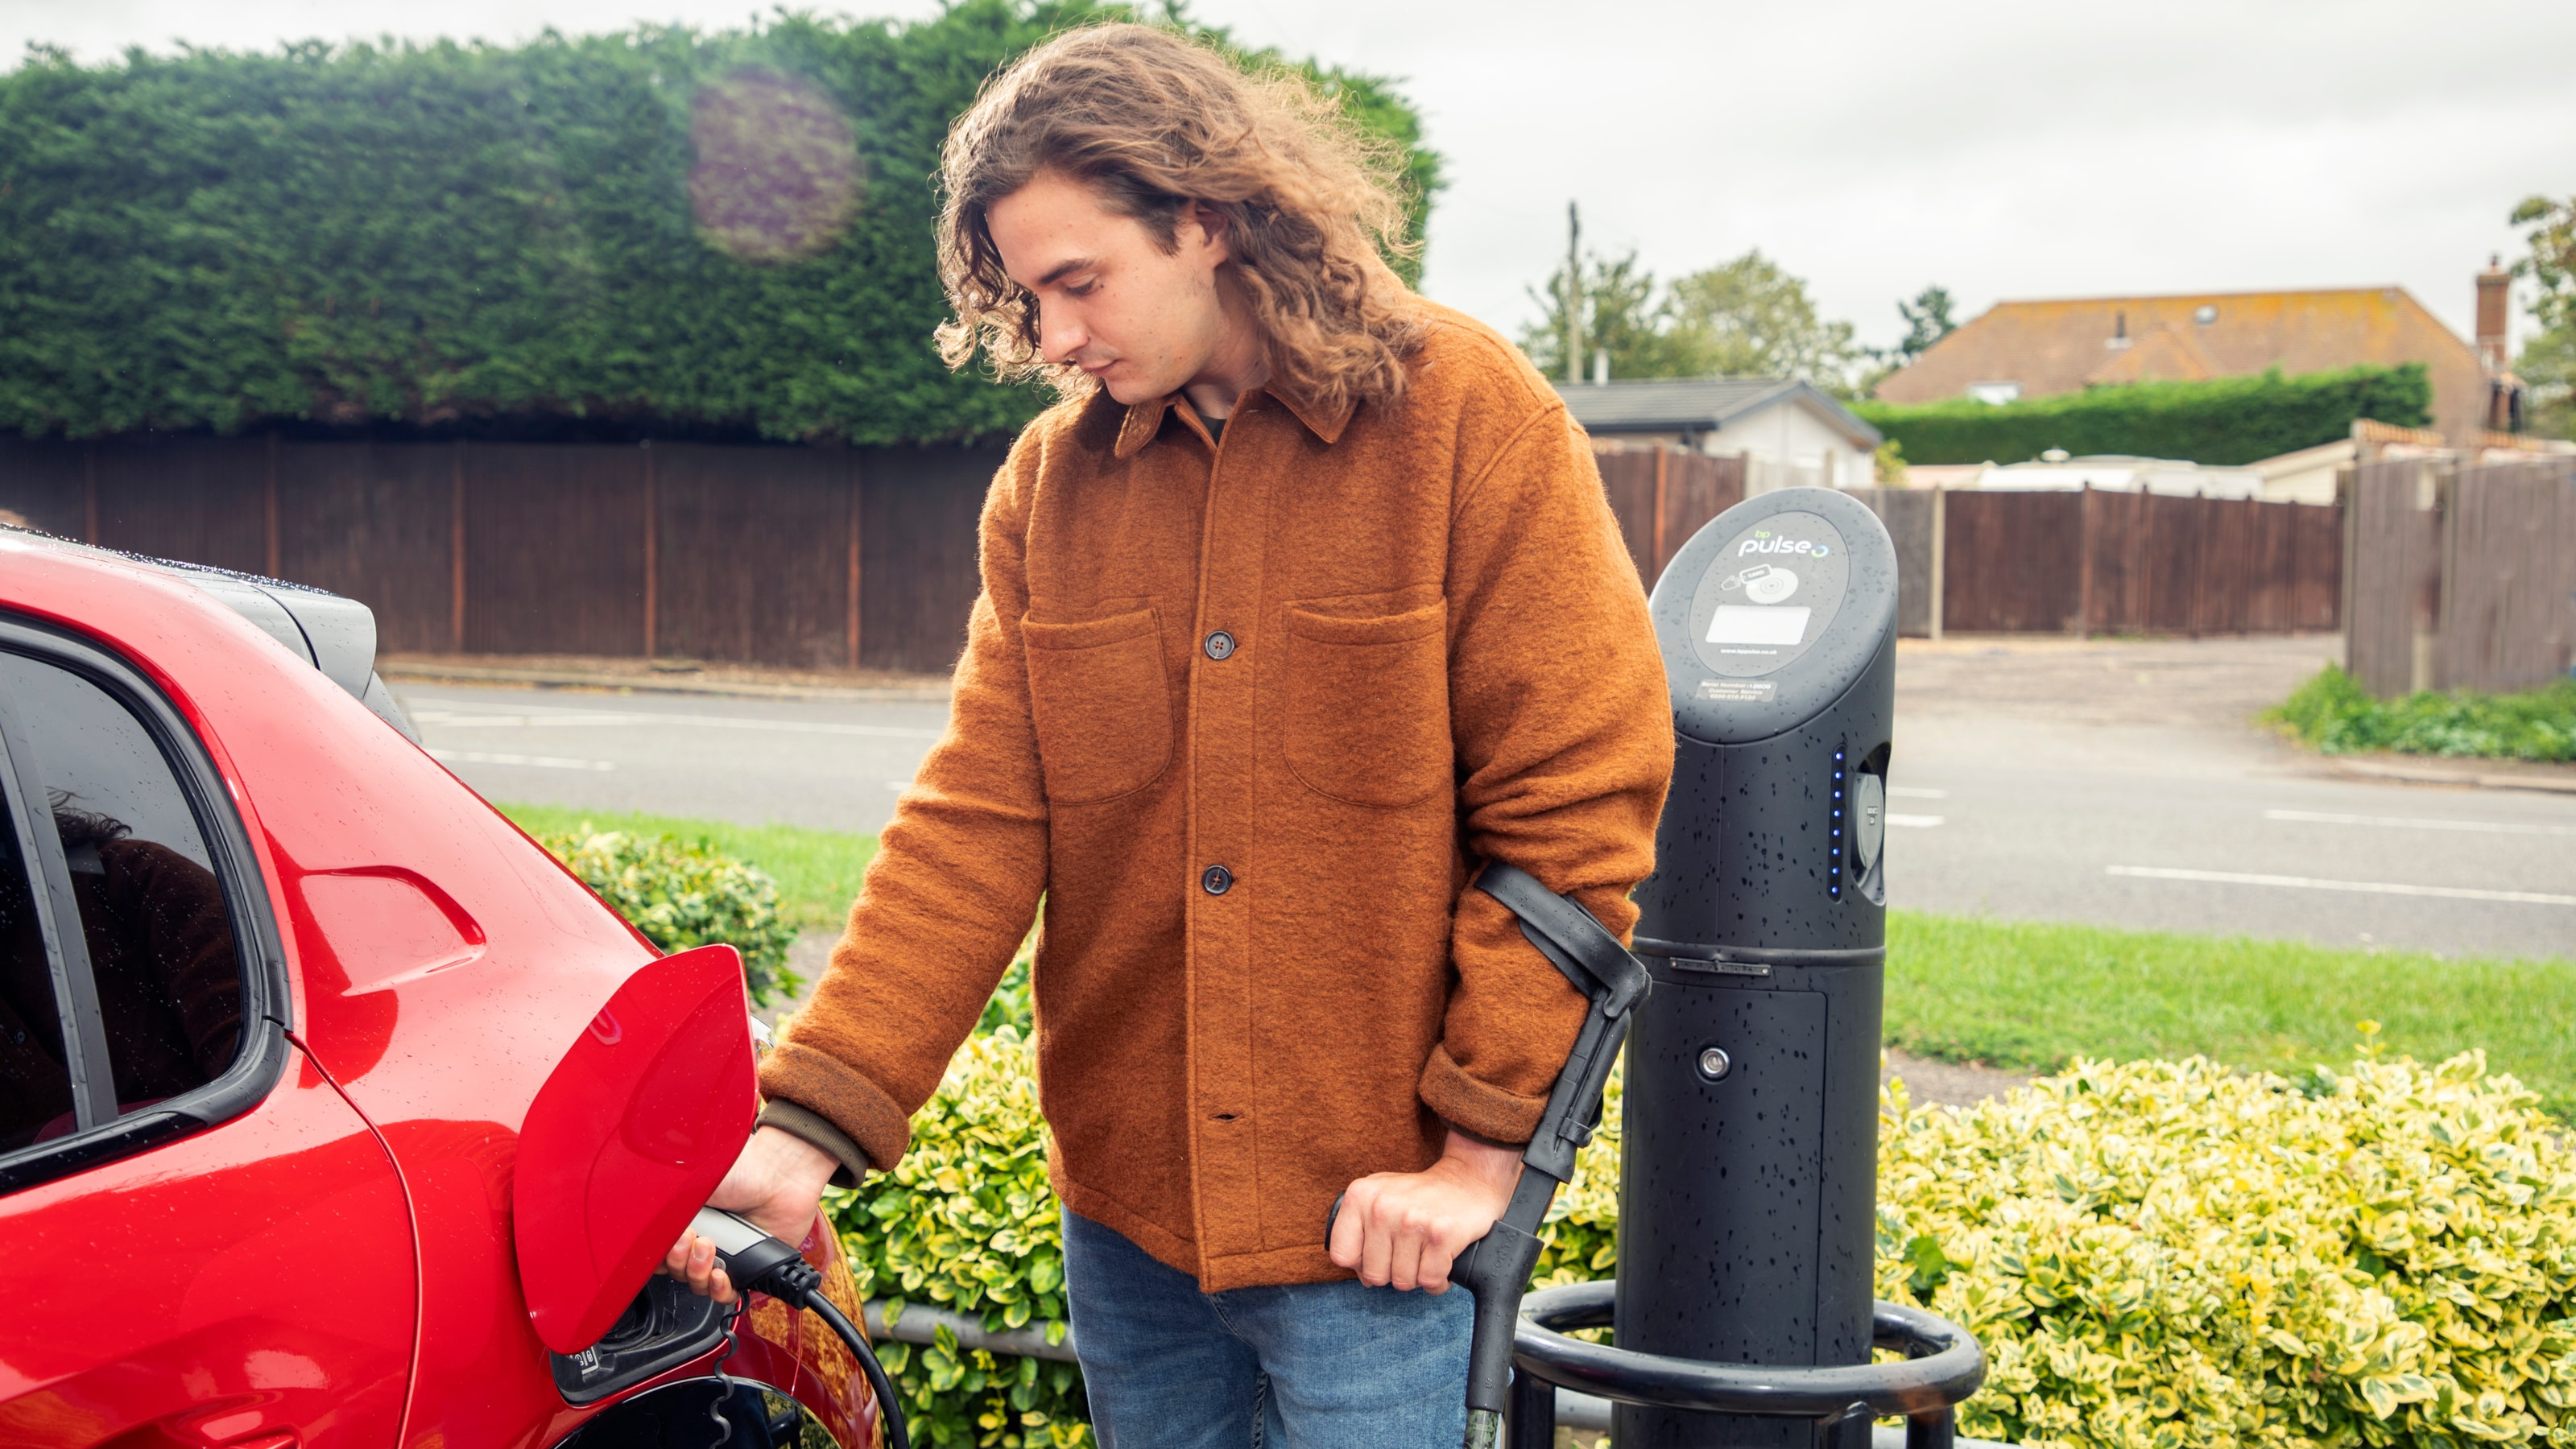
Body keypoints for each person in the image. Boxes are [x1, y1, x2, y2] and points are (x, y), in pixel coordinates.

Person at [669, 23, 1672, 1445]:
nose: (1058, 337)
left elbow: (1577, 806)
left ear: (1205, 218)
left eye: (1081, 282)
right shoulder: (1048, 487)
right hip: (1129, 1234)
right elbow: (975, 823)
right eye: (1029, 299)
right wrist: (806, 1131)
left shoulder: (1471, 419)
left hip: (1375, 1243)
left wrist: (1478, 1153)